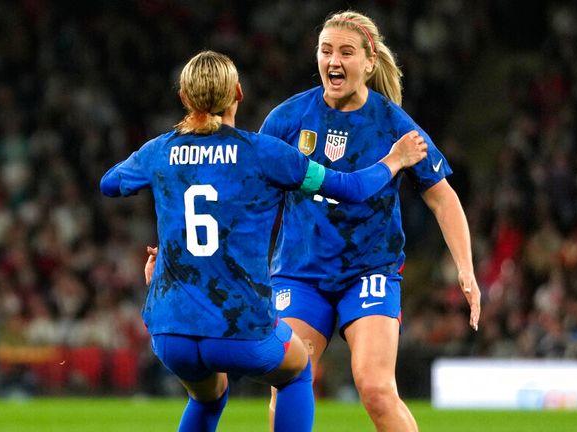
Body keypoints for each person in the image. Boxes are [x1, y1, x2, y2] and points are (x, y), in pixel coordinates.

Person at [102, 50, 427, 432]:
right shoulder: (264, 154)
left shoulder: (158, 150)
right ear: (237, 93)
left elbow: (110, 183)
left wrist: (174, 246)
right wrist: (395, 159)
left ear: (185, 99)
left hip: (170, 330)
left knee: (208, 396)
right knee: (296, 371)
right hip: (239, 328)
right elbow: (351, 189)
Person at [258, 10, 482, 431]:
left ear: (369, 61)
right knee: (288, 380)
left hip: (369, 271)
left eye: (346, 52)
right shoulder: (287, 119)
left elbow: (443, 199)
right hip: (299, 273)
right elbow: (250, 192)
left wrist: (466, 269)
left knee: (376, 390)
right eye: (326, 51)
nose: (333, 62)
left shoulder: (394, 125)